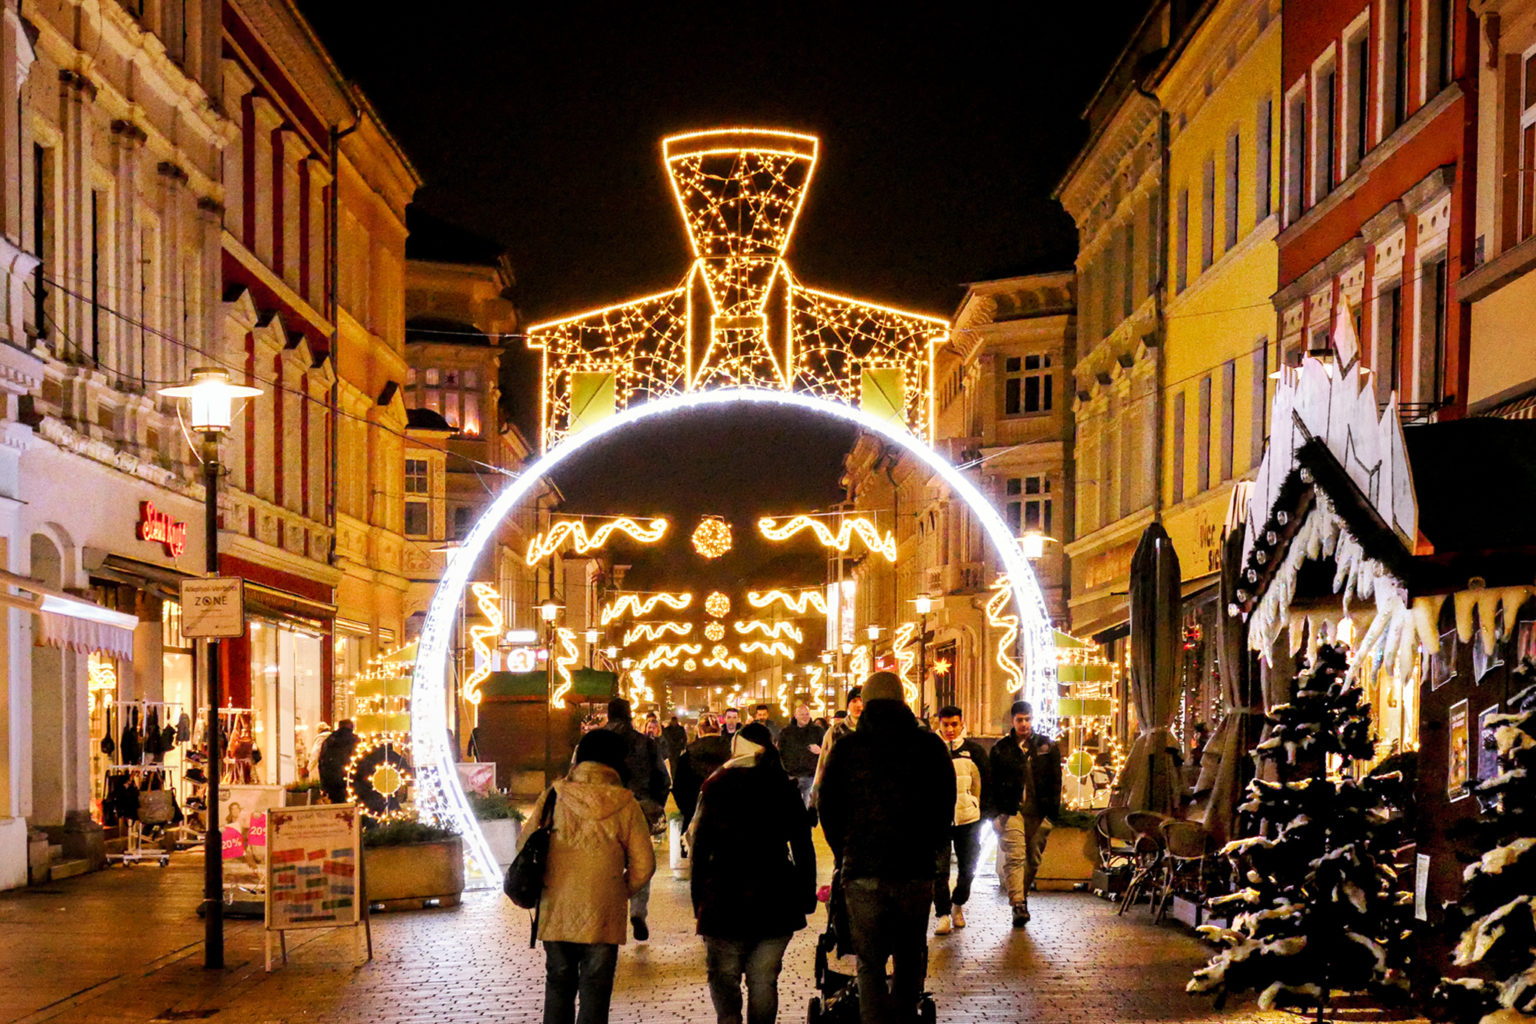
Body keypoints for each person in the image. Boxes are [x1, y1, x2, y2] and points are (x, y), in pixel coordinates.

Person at [818, 673, 953, 1024]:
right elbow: (945, 805)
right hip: (914, 868)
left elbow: (827, 806)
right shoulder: (930, 747)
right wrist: (930, 846)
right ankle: (905, 1017)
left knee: (869, 958)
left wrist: (843, 848)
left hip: (863, 867)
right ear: (903, 701)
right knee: (910, 954)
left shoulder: (848, 748)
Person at [521, 729, 655, 1024]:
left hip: (556, 903)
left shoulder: (554, 795)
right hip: (603, 909)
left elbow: (525, 844)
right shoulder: (626, 803)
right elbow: (644, 865)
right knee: (595, 989)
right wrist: (620, 890)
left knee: (558, 982)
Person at [690, 722, 816, 1024]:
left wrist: (698, 897)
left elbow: (701, 846)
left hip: (723, 894)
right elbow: (802, 844)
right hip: (774, 895)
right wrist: (806, 892)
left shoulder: (717, 784)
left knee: (724, 975)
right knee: (763, 980)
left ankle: (729, 1019)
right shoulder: (782, 786)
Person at [988, 700, 1062, 928]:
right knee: (1016, 856)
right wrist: (994, 815)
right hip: (1011, 811)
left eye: (1028, 719)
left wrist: (1052, 815)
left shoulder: (1047, 747)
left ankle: (1022, 896)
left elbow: (1056, 782)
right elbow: (992, 784)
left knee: (1033, 858)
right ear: (1013, 721)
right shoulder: (1001, 749)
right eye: (1020, 719)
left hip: (1040, 812)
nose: (1024, 724)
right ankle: (1017, 903)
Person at [603, 698, 670, 941]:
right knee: (639, 860)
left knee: (607, 861)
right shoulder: (645, 743)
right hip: (639, 807)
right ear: (629, 715)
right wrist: (655, 804)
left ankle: (609, 913)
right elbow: (663, 779)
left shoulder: (595, 742)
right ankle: (638, 912)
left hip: (604, 809)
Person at [932, 705, 989, 935]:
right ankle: (943, 914)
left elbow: (982, 784)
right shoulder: (931, 750)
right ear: (939, 724)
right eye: (946, 724)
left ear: (962, 723)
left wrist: (980, 810)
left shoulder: (973, 751)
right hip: (938, 820)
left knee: (968, 867)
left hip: (968, 819)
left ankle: (958, 904)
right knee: (939, 871)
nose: (950, 729)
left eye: (954, 724)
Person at [674, 714, 732, 832]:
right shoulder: (732, 753)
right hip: (727, 815)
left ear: (699, 730)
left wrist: (688, 809)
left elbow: (679, 787)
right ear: (720, 730)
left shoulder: (688, 755)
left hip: (695, 815)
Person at [810, 686, 863, 806]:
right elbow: (823, 763)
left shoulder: (873, 730)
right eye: (854, 701)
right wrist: (814, 797)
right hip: (840, 793)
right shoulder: (835, 731)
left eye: (862, 701)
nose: (858, 705)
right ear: (848, 705)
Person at [777, 703, 824, 809]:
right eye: (802, 714)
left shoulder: (818, 732)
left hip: (810, 776)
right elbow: (781, 751)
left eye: (807, 714)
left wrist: (820, 751)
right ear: (795, 715)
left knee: (807, 806)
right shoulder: (786, 732)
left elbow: (827, 750)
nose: (805, 717)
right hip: (791, 775)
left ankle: (806, 825)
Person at [316, 719, 360, 804]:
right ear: (351, 727)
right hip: (351, 779)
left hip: (332, 781)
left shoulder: (330, 740)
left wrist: (324, 784)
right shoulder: (355, 740)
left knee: (336, 806)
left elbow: (322, 761)